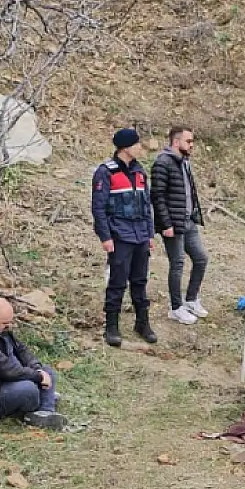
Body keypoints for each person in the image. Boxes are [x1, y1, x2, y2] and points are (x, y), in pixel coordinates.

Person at [92, 128, 157, 347]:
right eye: (137, 144)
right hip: (119, 235)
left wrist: (150, 234)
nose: (141, 147)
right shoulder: (105, 172)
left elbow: (147, 206)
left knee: (140, 281)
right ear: (125, 148)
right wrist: (105, 236)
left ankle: (142, 322)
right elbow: (98, 208)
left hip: (140, 236)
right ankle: (112, 326)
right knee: (117, 282)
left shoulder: (140, 172)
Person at [0, 297, 67, 430]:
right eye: (5, 323)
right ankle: (42, 400)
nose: (9, 326)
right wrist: (37, 377)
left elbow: (21, 350)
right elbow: (6, 370)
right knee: (29, 389)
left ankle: (45, 412)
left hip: (10, 379)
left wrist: (37, 369)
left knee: (48, 372)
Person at [151, 126, 210, 325]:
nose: (192, 145)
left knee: (201, 258)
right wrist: (166, 224)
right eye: (188, 141)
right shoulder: (162, 162)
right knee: (177, 264)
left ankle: (191, 299)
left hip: (188, 220)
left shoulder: (184, 162)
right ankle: (176, 308)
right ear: (176, 142)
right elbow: (157, 196)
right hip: (173, 224)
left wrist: (194, 215)